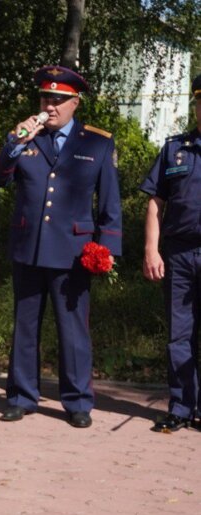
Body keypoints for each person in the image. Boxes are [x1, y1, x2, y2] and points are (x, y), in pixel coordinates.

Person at [0, 65, 122, 428]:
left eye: (60, 100)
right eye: (46, 97)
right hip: (29, 247)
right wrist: (15, 143)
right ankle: (21, 396)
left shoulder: (97, 142)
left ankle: (77, 401)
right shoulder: (26, 138)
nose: (51, 105)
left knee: (73, 330)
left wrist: (107, 250)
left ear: (76, 102)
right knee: (25, 326)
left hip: (74, 253)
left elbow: (109, 203)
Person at [141, 74, 201, 433]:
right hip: (178, 255)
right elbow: (154, 203)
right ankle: (181, 406)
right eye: (200, 102)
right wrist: (151, 249)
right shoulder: (174, 149)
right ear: (195, 106)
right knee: (179, 336)